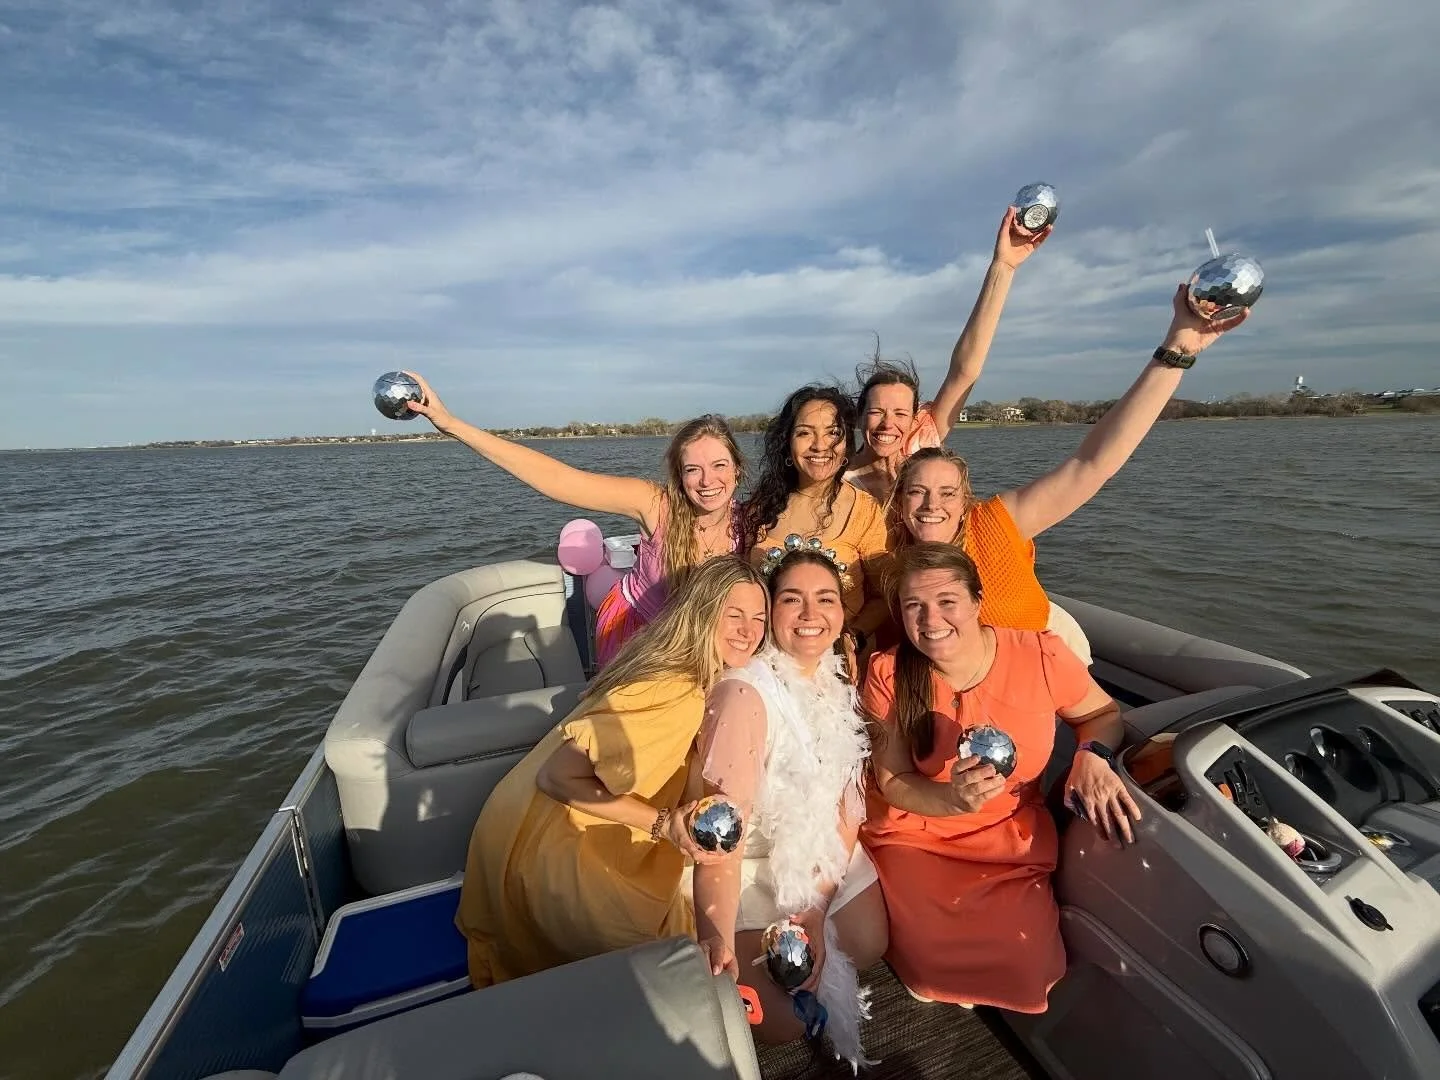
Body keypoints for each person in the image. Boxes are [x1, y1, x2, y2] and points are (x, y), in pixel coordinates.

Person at [885, 283, 1254, 663]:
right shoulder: (889, 551)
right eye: (917, 491)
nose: (932, 504)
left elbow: (1092, 464)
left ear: (966, 500)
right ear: (899, 500)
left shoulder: (995, 525)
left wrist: (1176, 352)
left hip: (1043, 687)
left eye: (947, 493)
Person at [454, 556, 768, 988]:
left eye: (759, 618)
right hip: (557, 858)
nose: (748, 631)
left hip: (511, 833)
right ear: (702, 612)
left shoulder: (654, 660)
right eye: (733, 615)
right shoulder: (676, 693)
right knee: (679, 962)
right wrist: (664, 824)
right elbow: (557, 776)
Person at [860, 543, 1141, 1012]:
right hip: (919, 831)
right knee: (930, 966)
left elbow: (1102, 714)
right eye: (915, 606)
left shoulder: (1039, 653)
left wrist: (1092, 755)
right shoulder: (889, 673)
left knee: (1033, 972)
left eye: (947, 601)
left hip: (1009, 831)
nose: (931, 620)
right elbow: (894, 781)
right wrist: (951, 800)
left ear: (976, 600)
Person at [401, 370, 746, 668]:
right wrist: (451, 424)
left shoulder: (751, 524)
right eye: (693, 470)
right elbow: (559, 479)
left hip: (704, 643)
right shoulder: (656, 505)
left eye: (719, 466)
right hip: (642, 638)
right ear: (678, 475)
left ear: (737, 469)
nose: (707, 481)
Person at [689, 549, 887, 1069]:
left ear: (843, 611)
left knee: (869, 943)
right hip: (748, 862)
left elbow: (850, 800)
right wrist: (713, 934)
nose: (810, 614)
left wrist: (817, 907)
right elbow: (721, 838)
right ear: (770, 612)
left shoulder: (835, 677)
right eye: (791, 599)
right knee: (780, 1025)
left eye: (825, 599)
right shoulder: (744, 696)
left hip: (818, 841)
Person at [843, 206, 1054, 503]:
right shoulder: (838, 481)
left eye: (901, 413)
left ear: (916, 417)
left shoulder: (921, 443)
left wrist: (1003, 267)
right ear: (860, 416)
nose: (888, 424)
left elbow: (964, 371)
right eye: (877, 412)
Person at [740, 385, 890, 662]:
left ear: (847, 443)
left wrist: (852, 636)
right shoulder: (758, 510)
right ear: (787, 442)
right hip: (768, 661)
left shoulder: (865, 511)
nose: (820, 445)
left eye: (833, 433)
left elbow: (883, 597)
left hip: (840, 662)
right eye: (805, 433)